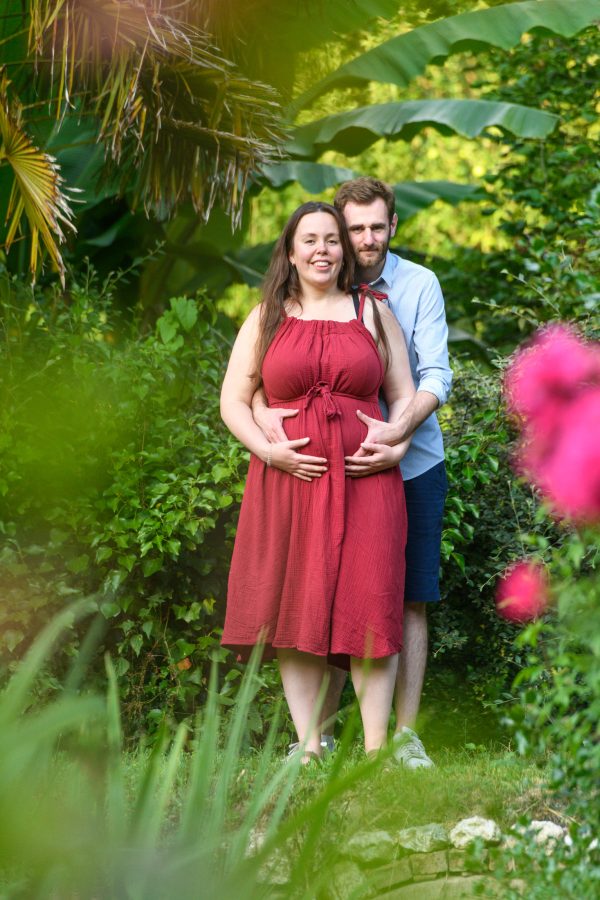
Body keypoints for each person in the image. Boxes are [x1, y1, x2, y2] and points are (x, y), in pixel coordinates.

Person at [253, 180, 452, 768]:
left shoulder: (413, 288)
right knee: (328, 593)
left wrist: (398, 437)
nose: (362, 240)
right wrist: (264, 414)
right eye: (352, 230)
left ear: (392, 226)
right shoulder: (305, 293)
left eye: (375, 228)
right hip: (323, 471)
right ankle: (320, 736)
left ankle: (403, 737)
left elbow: (431, 377)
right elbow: (258, 382)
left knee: (403, 597)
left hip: (406, 465)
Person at [220, 201, 416, 762]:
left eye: (332, 240)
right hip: (289, 482)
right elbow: (233, 400)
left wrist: (396, 442)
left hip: (367, 477)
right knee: (296, 606)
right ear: (289, 250)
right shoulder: (267, 318)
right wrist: (270, 452)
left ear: (344, 250)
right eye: (310, 240)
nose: (322, 250)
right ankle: (309, 747)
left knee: (372, 597)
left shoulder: (372, 312)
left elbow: (402, 393)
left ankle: (377, 751)